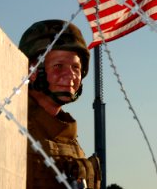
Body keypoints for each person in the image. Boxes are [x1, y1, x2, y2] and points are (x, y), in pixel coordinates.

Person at [19, 19, 101, 189]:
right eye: (58, 66)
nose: (70, 75)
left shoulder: (70, 140)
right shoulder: (13, 127)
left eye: (76, 67)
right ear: (32, 71)